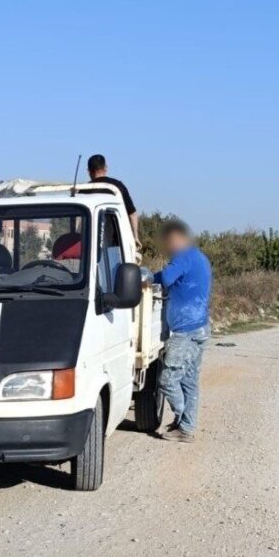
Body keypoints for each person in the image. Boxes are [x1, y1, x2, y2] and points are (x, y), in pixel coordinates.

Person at [152, 219, 212, 443]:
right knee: (189, 381)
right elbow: (168, 277)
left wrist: (158, 274)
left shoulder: (183, 256)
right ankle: (186, 427)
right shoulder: (197, 257)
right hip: (200, 327)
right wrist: (149, 276)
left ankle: (182, 419)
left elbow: (167, 278)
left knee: (167, 379)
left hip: (186, 330)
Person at [87, 154, 139, 240]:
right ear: (106, 168)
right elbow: (132, 214)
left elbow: (78, 220)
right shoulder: (117, 187)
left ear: (89, 171)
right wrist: (135, 237)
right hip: (116, 243)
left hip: (91, 242)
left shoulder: (84, 190)